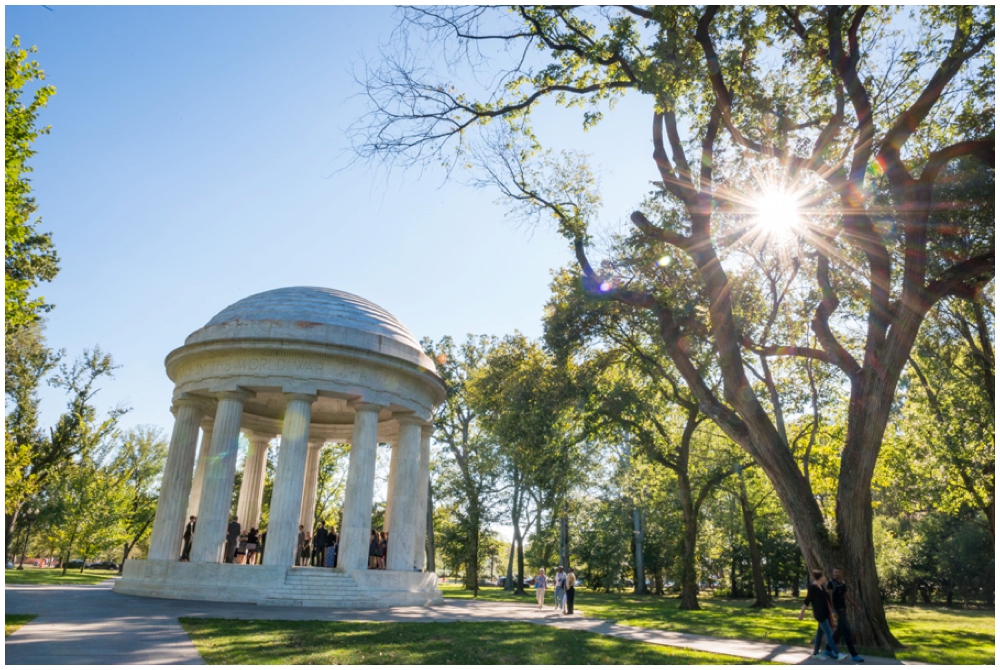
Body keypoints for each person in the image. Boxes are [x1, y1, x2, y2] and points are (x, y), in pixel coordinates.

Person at [799, 569, 848, 661]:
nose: (826, 578)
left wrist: (832, 611)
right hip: (820, 614)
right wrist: (801, 614)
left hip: (825, 613)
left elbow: (827, 600)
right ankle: (838, 654)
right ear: (820, 578)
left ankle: (815, 653)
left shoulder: (821, 587)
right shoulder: (812, 588)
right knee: (829, 634)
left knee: (819, 633)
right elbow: (807, 601)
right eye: (824, 576)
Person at [827, 568, 865, 663]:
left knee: (839, 631)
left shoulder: (843, 584)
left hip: (843, 610)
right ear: (832, 573)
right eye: (835, 572)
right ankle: (854, 654)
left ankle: (827, 649)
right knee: (846, 631)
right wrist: (833, 611)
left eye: (838, 572)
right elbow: (829, 599)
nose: (836, 574)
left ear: (841, 573)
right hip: (837, 611)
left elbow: (848, 597)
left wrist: (857, 607)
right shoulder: (830, 583)